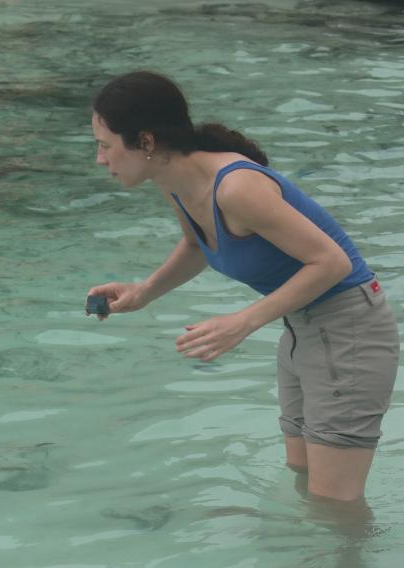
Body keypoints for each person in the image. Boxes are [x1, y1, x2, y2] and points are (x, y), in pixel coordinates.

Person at [86, 70, 399, 503]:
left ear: (146, 141)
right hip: (302, 331)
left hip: (349, 333)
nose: (100, 159)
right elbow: (197, 245)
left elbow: (333, 263)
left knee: (334, 506)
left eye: (105, 145)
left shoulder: (236, 188)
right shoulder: (176, 182)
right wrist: (144, 292)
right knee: (302, 482)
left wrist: (243, 322)